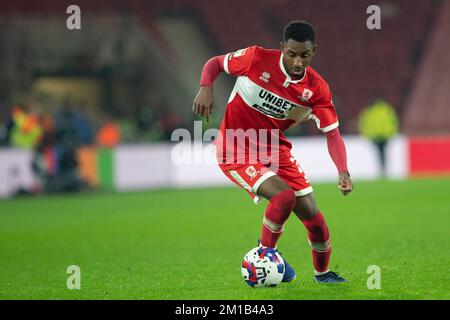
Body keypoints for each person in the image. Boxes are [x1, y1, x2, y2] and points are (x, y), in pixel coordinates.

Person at [193, 21, 353, 283]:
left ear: (314, 51)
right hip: (235, 146)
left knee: (314, 218)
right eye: (292, 54)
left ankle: (322, 275)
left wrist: (343, 170)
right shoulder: (255, 58)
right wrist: (205, 87)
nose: (298, 62)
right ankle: (265, 256)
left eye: (305, 55)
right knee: (283, 197)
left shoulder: (317, 90)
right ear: (282, 49)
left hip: (274, 148)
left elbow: (333, 134)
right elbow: (215, 63)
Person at [358, 98, 398, 177]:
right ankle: (383, 170)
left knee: (380, 153)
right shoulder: (386, 110)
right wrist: (391, 133)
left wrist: (368, 135)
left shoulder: (370, 111)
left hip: (377, 136)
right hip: (383, 135)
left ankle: (382, 170)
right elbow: (393, 122)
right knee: (382, 153)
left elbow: (365, 124)